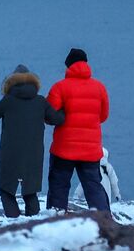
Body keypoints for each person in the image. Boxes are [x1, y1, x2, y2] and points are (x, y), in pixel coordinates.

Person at [0, 64, 65, 217]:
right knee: (30, 192)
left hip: (10, 154)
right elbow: (58, 119)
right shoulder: (40, 102)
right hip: (33, 155)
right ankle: (33, 221)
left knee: (6, 189)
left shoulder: (8, 101)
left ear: (11, 83)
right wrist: (66, 108)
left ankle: (13, 220)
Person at [45, 47, 112, 212]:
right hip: (90, 149)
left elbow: (49, 116)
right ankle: (103, 219)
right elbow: (103, 116)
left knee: (59, 185)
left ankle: (55, 218)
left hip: (64, 148)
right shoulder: (99, 87)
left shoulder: (59, 87)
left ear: (68, 66)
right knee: (93, 186)